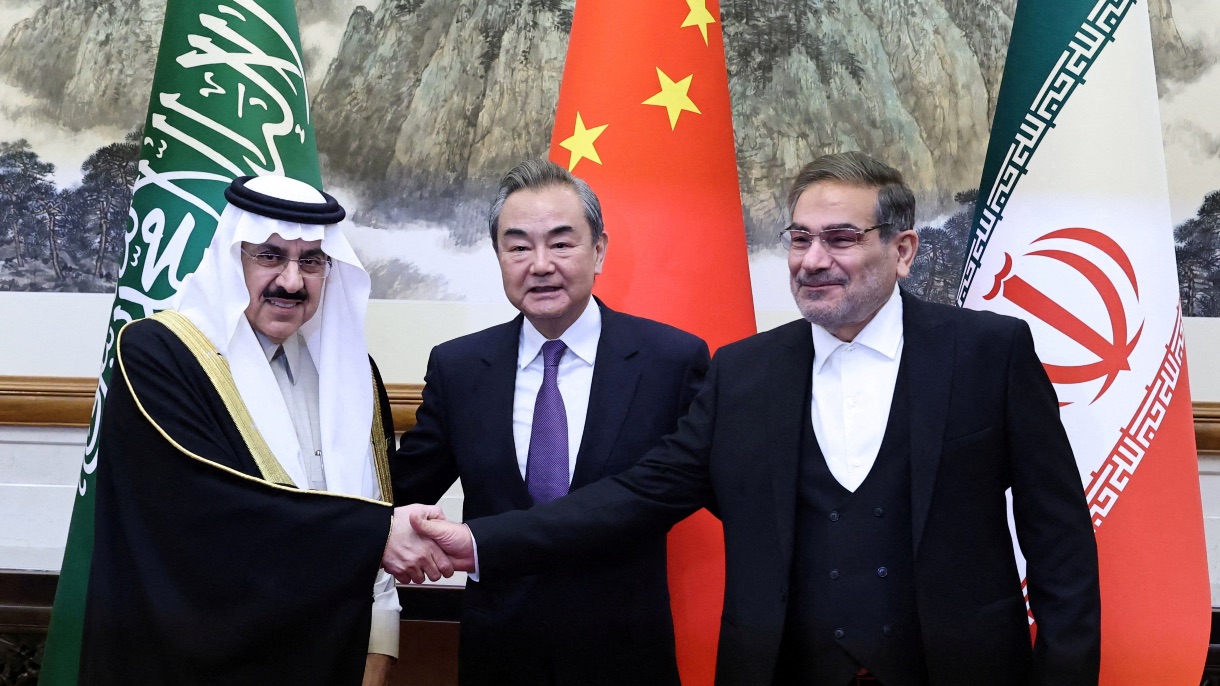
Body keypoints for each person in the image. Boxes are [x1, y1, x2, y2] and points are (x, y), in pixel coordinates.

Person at [405, 152, 1102, 686]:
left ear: (903, 250)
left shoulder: (989, 353)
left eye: (840, 238)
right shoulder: (744, 373)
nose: (813, 261)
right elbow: (637, 494)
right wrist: (479, 542)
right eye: (799, 239)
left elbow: (1060, 541)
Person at [81, 175, 451, 685]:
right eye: (270, 256)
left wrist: (380, 643)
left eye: (312, 261)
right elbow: (206, 512)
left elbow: (375, 501)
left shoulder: (352, 374)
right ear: (233, 258)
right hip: (195, 663)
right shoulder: (158, 354)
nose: (292, 282)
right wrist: (376, 534)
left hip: (335, 657)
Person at [391, 159, 710, 686]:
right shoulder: (460, 367)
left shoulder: (669, 361)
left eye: (561, 243)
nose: (540, 265)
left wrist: (475, 542)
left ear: (599, 250)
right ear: (498, 255)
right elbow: (404, 488)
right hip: (499, 656)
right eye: (518, 247)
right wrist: (384, 528)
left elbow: (673, 493)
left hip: (625, 658)